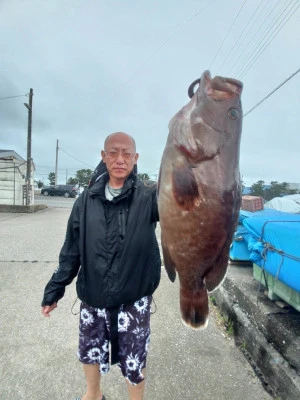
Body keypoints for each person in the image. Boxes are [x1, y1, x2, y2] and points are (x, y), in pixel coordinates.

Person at [41, 132, 161, 400]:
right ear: (104, 156)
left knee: (135, 358)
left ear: (135, 158)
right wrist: (54, 290)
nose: (120, 159)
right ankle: (93, 395)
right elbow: (71, 250)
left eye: (127, 153)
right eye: (114, 153)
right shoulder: (84, 201)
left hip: (134, 298)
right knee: (89, 350)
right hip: (93, 294)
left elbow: (185, 196)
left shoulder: (149, 198)